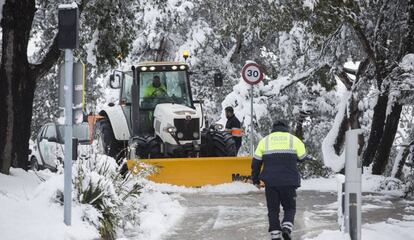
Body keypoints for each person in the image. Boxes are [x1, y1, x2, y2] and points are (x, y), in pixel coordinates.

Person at [251, 120, 307, 240]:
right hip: (289, 181)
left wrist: (255, 179)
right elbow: (302, 157)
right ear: (286, 128)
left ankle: (275, 234)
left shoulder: (264, 141)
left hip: (270, 182)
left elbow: (256, 163)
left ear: (273, 128)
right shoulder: (294, 140)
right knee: (290, 207)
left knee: (272, 209)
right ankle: (286, 227)